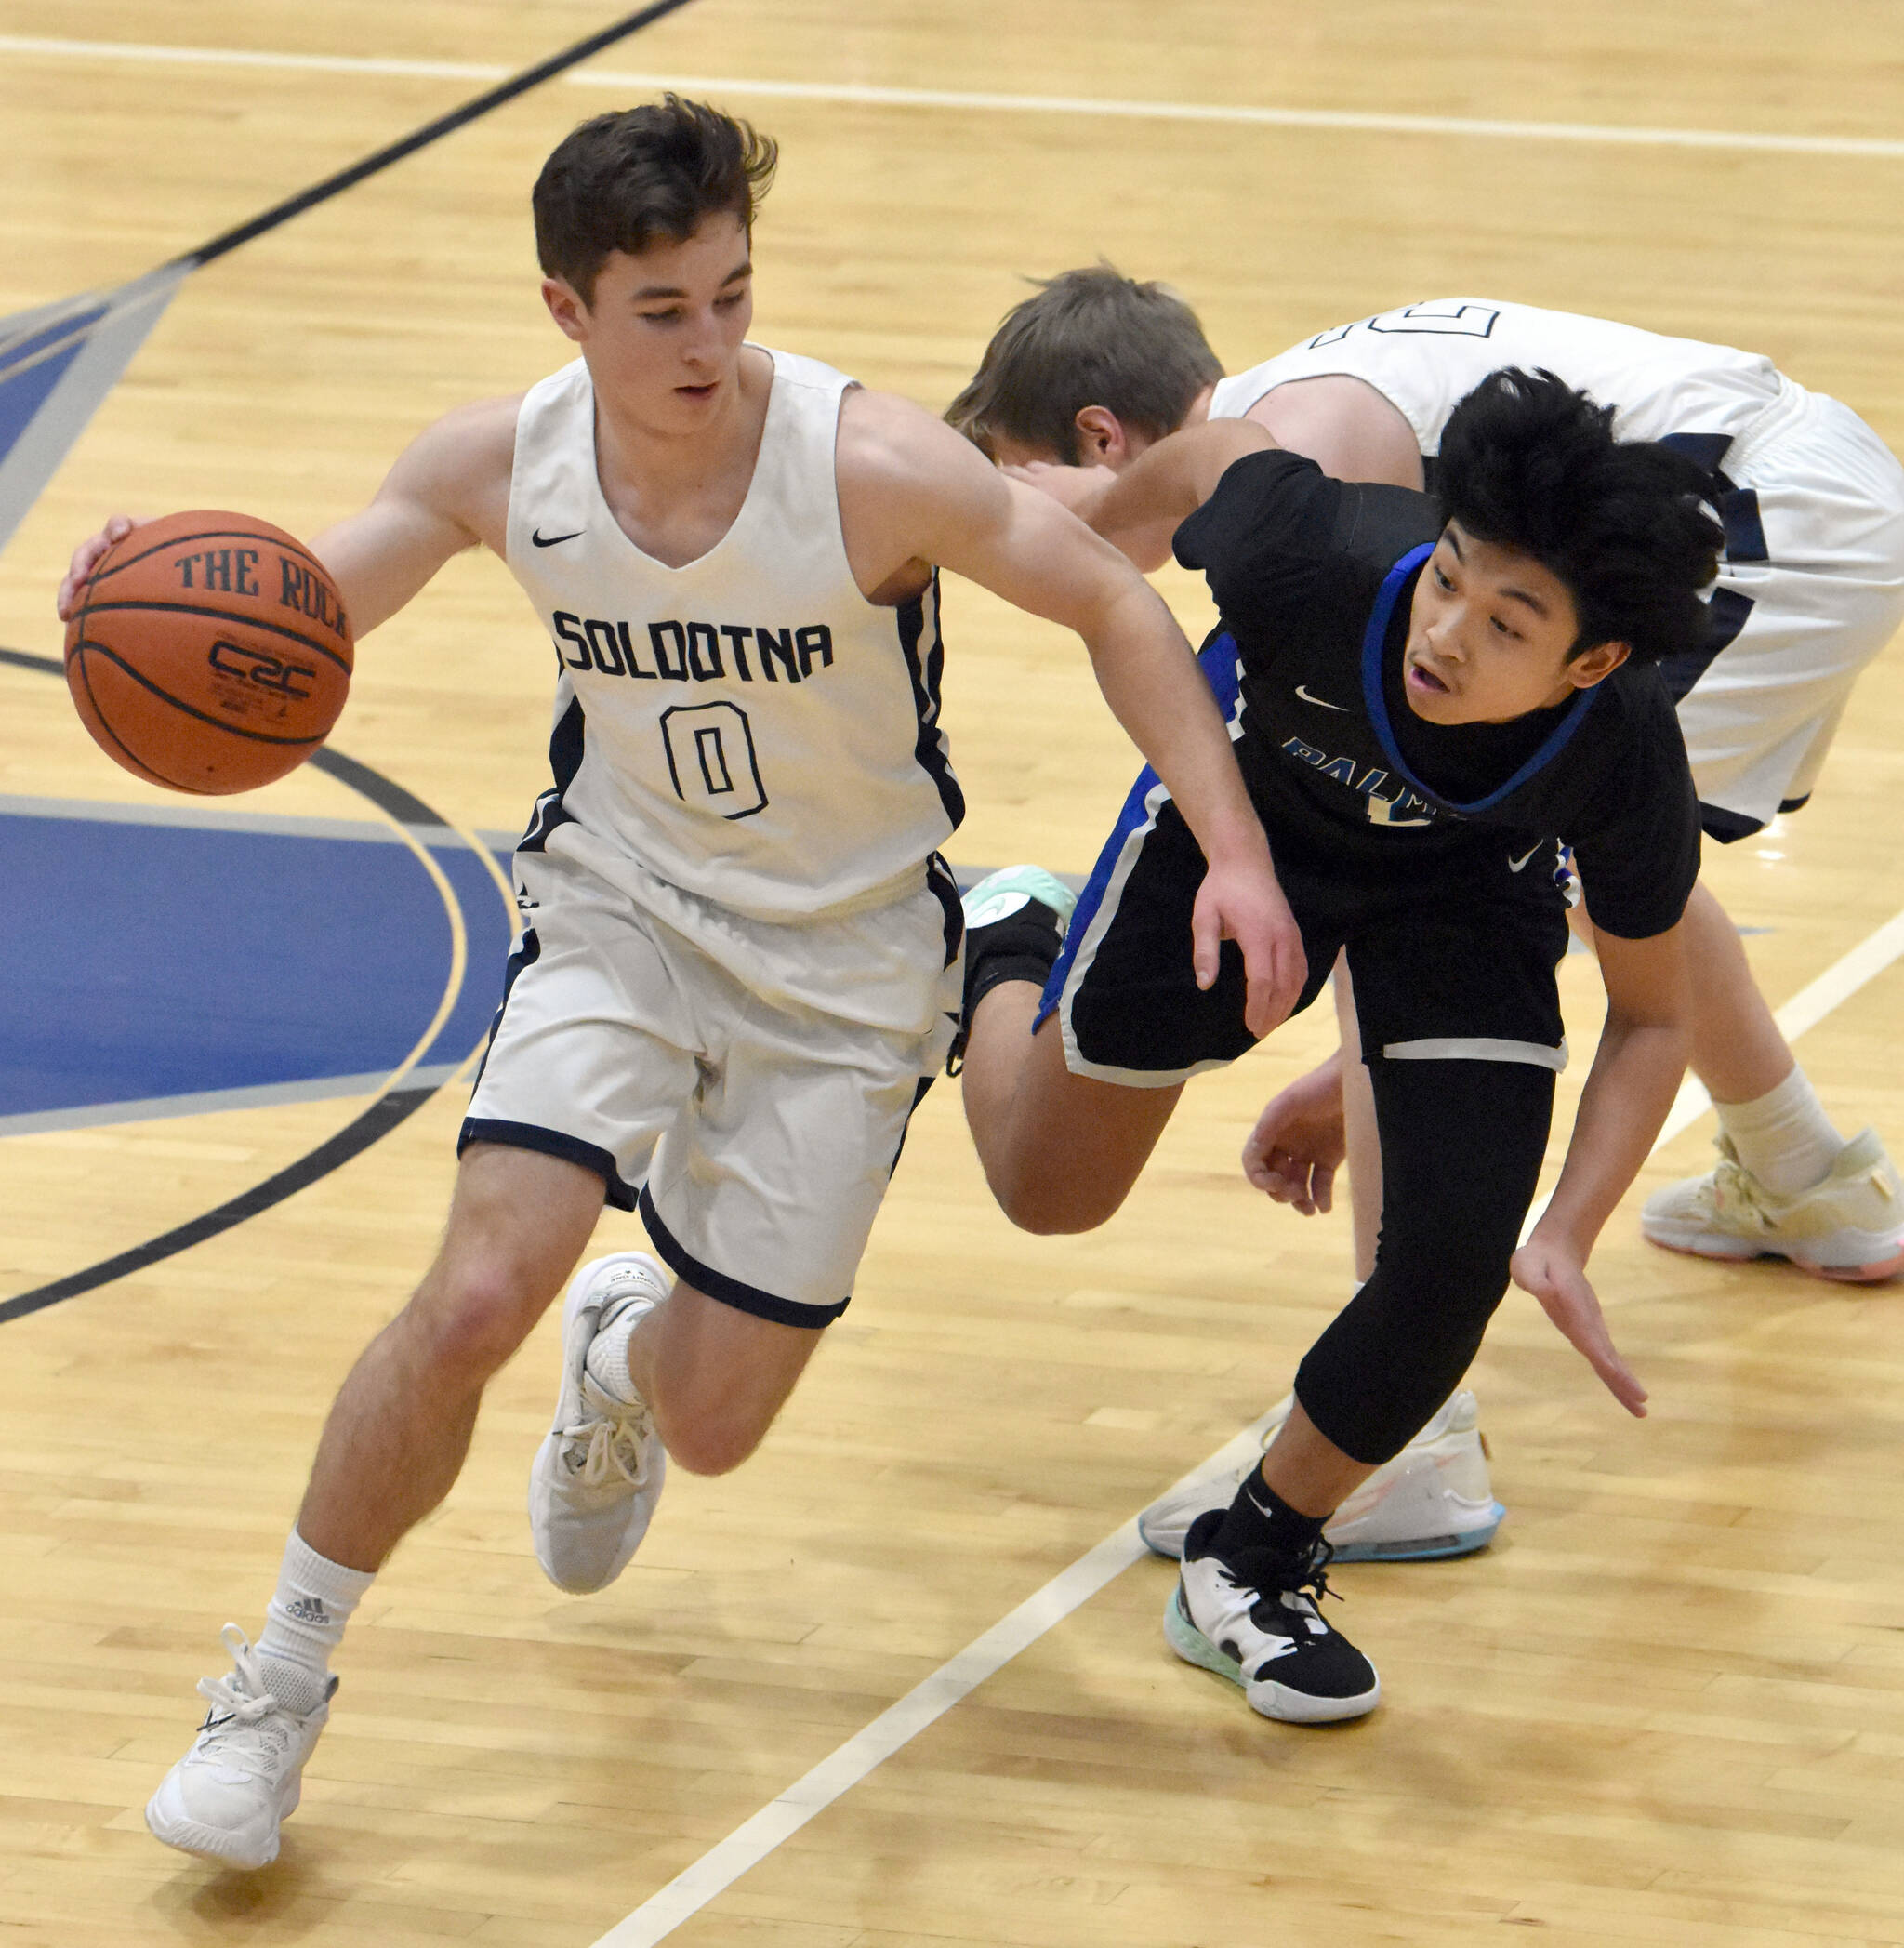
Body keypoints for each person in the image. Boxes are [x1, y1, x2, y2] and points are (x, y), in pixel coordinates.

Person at [57, 101, 1289, 1871]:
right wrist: (141, 594)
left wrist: (1228, 847)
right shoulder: (499, 463)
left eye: (730, 295)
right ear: (568, 310)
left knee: (713, 1433)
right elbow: (301, 614)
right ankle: (274, 1691)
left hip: (853, 966)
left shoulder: (865, 462)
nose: (710, 344)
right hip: (617, 916)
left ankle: (630, 1348)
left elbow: (1109, 602)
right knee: (478, 1286)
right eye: (663, 311)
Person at [952, 368, 1720, 1724]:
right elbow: (1215, 458)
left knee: (1452, 1260)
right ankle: (1006, 935)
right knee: (1045, 1191)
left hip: (1464, 893)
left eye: (1507, 623)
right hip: (1245, 826)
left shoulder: (1623, 749)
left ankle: (1248, 1561)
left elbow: (1656, 1013)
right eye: (1450, 581)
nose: (1448, 631)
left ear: (1589, 662)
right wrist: (1101, 512)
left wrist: (1568, 1229)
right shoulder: (1317, 553)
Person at [949, 270, 1904, 1293]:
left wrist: (1355, 1077)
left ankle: (1411, 1415)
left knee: (1423, 842)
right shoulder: (1304, 403)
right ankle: (1800, 1171)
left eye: (1022, 490)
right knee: (1611, 862)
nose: (1033, 540)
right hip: (1825, 499)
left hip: (1766, 523)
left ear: (1100, 443)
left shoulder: (1299, 436)